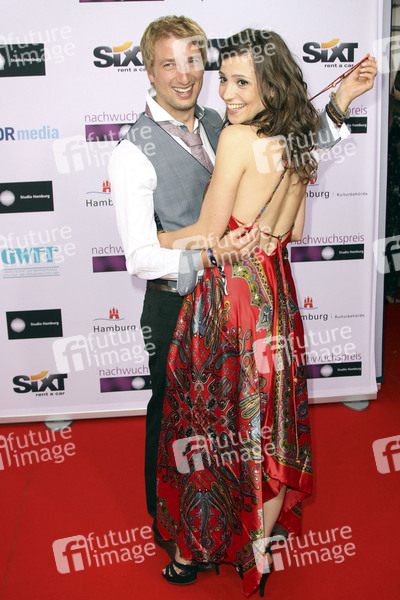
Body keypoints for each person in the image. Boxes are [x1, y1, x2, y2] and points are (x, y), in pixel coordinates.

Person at [108, 14, 376, 567]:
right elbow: (141, 255)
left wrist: (338, 105)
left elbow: (262, 171)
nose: (187, 75)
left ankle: (207, 541)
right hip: (193, 296)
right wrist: (184, 244)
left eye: (194, 61)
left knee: (225, 424)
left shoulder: (223, 123)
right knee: (190, 420)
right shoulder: (132, 150)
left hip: (227, 301)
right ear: (150, 72)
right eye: (168, 64)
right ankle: (194, 536)